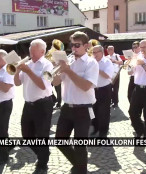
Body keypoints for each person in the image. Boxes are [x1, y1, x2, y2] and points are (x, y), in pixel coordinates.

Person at [52, 31, 99, 174]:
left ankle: (81, 170)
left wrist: (68, 70)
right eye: (72, 45)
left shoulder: (91, 63)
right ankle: (78, 164)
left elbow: (86, 86)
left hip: (83, 109)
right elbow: (55, 82)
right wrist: (58, 70)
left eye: (77, 45)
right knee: (60, 140)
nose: (73, 48)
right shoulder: (69, 61)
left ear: (86, 46)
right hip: (67, 108)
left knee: (80, 145)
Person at [14, 39, 54, 174]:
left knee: (42, 135)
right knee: (26, 135)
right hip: (28, 104)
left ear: (42, 51)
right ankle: (43, 153)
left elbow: (43, 85)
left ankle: (43, 162)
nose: (30, 51)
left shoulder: (48, 65)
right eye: (30, 48)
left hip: (43, 104)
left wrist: (28, 71)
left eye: (33, 49)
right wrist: (17, 70)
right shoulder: (27, 64)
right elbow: (17, 83)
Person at [91, 45, 114, 137]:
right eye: (93, 52)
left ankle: (103, 133)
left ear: (102, 52)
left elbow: (107, 75)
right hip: (93, 90)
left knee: (103, 112)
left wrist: (96, 68)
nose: (95, 54)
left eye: (97, 52)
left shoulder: (107, 62)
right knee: (94, 111)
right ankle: (96, 128)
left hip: (104, 89)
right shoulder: (91, 62)